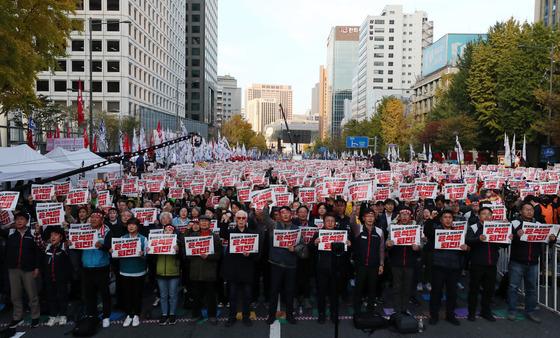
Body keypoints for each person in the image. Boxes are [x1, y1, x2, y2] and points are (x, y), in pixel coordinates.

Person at [508, 202, 557, 322]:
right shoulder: (514, 224)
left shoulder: (539, 224)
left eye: (531, 210)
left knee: (532, 289)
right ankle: (512, 311)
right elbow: (507, 238)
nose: (530, 211)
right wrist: (515, 234)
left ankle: (530, 312)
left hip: (533, 262)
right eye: (526, 209)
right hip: (517, 262)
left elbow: (546, 241)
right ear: (521, 211)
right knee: (513, 287)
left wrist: (552, 239)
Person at [424, 209, 469, 326]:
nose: (448, 219)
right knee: (436, 293)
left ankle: (450, 315)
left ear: (453, 220)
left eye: (450, 217)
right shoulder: (435, 233)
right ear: (441, 219)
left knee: (452, 293)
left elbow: (465, 250)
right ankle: (434, 315)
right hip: (438, 267)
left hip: (454, 267)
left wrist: (466, 248)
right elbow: (427, 236)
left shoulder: (458, 234)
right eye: (445, 217)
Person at [466, 206, 510, 322]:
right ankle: (471, 312)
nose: (486, 216)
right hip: (477, 263)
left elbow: (504, 245)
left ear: (492, 216)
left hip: (492, 264)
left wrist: (508, 238)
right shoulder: (474, 227)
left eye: (489, 214)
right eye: (483, 214)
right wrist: (478, 238)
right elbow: (467, 240)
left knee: (489, 290)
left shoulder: (496, 227)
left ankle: (486, 312)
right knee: (474, 289)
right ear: (479, 216)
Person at [73, 209, 112, 328]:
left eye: (97, 217)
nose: (94, 219)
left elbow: (111, 248)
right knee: (89, 294)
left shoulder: (107, 231)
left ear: (102, 219)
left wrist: (102, 246)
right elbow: (77, 246)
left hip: (101, 267)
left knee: (104, 293)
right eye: (92, 217)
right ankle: (92, 315)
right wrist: (71, 243)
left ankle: (106, 316)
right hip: (86, 267)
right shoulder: (84, 229)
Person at [310, 213, 351, 323]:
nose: (330, 223)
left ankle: (334, 314)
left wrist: (348, 245)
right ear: (323, 222)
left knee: (334, 293)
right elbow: (310, 250)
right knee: (321, 293)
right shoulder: (318, 233)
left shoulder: (341, 234)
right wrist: (314, 243)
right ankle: (321, 314)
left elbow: (346, 254)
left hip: (336, 269)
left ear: (335, 223)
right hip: (322, 268)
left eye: (332, 221)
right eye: (327, 221)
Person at [3, 211, 41, 328]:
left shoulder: (32, 235)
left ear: (26, 221)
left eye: (22, 219)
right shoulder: (10, 235)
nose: (19, 221)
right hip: (13, 269)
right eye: (17, 219)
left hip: (28, 269)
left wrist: (37, 267)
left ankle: (35, 317)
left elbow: (37, 253)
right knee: (15, 295)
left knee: (32, 294)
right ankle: (17, 317)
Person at [222, 210, 258, 327]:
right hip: (233, 270)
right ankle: (231, 317)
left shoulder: (252, 233)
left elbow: (256, 254)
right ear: (235, 220)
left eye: (243, 218)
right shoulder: (231, 232)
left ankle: (246, 317)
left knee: (247, 296)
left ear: (246, 220)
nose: (241, 220)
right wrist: (224, 221)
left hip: (247, 270)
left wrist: (250, 254)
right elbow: (222, 233)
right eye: (239, 218)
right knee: (232, 296)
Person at [267, 205, 300, 325]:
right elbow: (265, 217)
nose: (285, 215)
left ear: (291, 214)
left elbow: (302, 245)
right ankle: (271, 315)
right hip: (276, 264)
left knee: (290, 291)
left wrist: (295, 248)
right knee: (274, 291)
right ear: (279, 215)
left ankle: (290, 315)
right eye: (282, 213)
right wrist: (266, 205)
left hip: (291, 265)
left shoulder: (296, 228)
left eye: (287, 212)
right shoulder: (274, 225)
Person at [111, 218, 147, 327]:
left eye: (133, 225)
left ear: (137, 226)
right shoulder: (122, 238)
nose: (131, 227)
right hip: (125, 271)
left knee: (137, 294)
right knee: (127, 294)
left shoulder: (143, 239)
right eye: (129, 225)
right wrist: (113, 252)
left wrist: (143, 254)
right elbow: (116, 256)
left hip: (139, 271)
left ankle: (136, 314)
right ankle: (129, 314)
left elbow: (147, 256)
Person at [385, 206, 421, 314]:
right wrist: (388, 244)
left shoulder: (415, 228)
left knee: (407, 288)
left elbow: (421, 244)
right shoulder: (394, 228)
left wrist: (418, 247)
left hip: (410, 263)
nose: (404, 216)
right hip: (396, 262)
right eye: (402, 214)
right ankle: (397, 310)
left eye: (407, 214)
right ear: (399, 216)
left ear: (410, 216)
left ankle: (404, 309)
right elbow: (387, 243)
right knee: (396, 287)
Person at [187, 215, 222, 324]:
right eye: (202, 221)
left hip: (209, 271)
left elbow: (219, 255)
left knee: (211, 295)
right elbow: (187, 255)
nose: (204, 223)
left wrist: (208, 256)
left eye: (206, 221)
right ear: (199, 223)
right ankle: (196, 315)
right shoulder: (192, 236)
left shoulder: (215, 237)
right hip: (196, 270)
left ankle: (212, 315)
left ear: (210, 223)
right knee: (196, 295)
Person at [352, 208, 384, 314]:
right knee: (358, 288)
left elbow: (381, 249)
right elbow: (352, 221)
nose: (370, 218)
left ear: (375, 218)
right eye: (368, 216)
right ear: (363, 218)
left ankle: (370, 310)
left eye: (372, 216)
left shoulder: (379, 231)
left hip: (374, 265)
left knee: (372, 289)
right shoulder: (358, 228)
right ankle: (357, 309)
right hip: (360, 264)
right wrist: (354, 210)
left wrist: (381, 264)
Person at [41, 227, 73, 326]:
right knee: (51, 297)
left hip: (61, 278)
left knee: (62, 296)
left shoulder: (64, 247)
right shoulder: (47, 247)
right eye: (51, 235)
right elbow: (38, 241)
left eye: (55, 235)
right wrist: (38, 231)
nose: (52, 237)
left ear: (61, 237)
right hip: (49, 278)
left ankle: (63, 315)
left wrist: (65, 228)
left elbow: (70, 241)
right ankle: (53, 315)